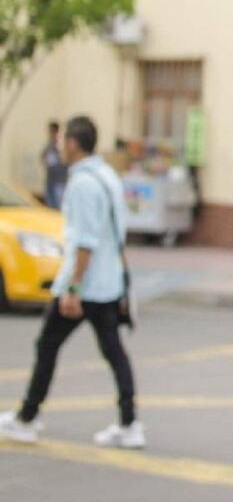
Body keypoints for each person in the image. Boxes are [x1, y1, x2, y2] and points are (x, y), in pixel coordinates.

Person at [0, 116, 143, 448]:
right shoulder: (107, 175)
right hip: (108, 283)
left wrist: (73, 288)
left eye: (62, 139)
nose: (58, 145)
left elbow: (85, 242)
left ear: (74, 144)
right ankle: (129, 423)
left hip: (84, 286)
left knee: (47, 346)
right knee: (114, 352)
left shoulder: (82, 184)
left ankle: (27, 418)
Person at [41, 120, 67, 208]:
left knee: (59, 206)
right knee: (50, 206)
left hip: (60, 182)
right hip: (50, 181)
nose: (50, 134)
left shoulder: (62, 145)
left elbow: (65, 161)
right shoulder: (49, 145)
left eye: (51, 131)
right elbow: (43, 157)